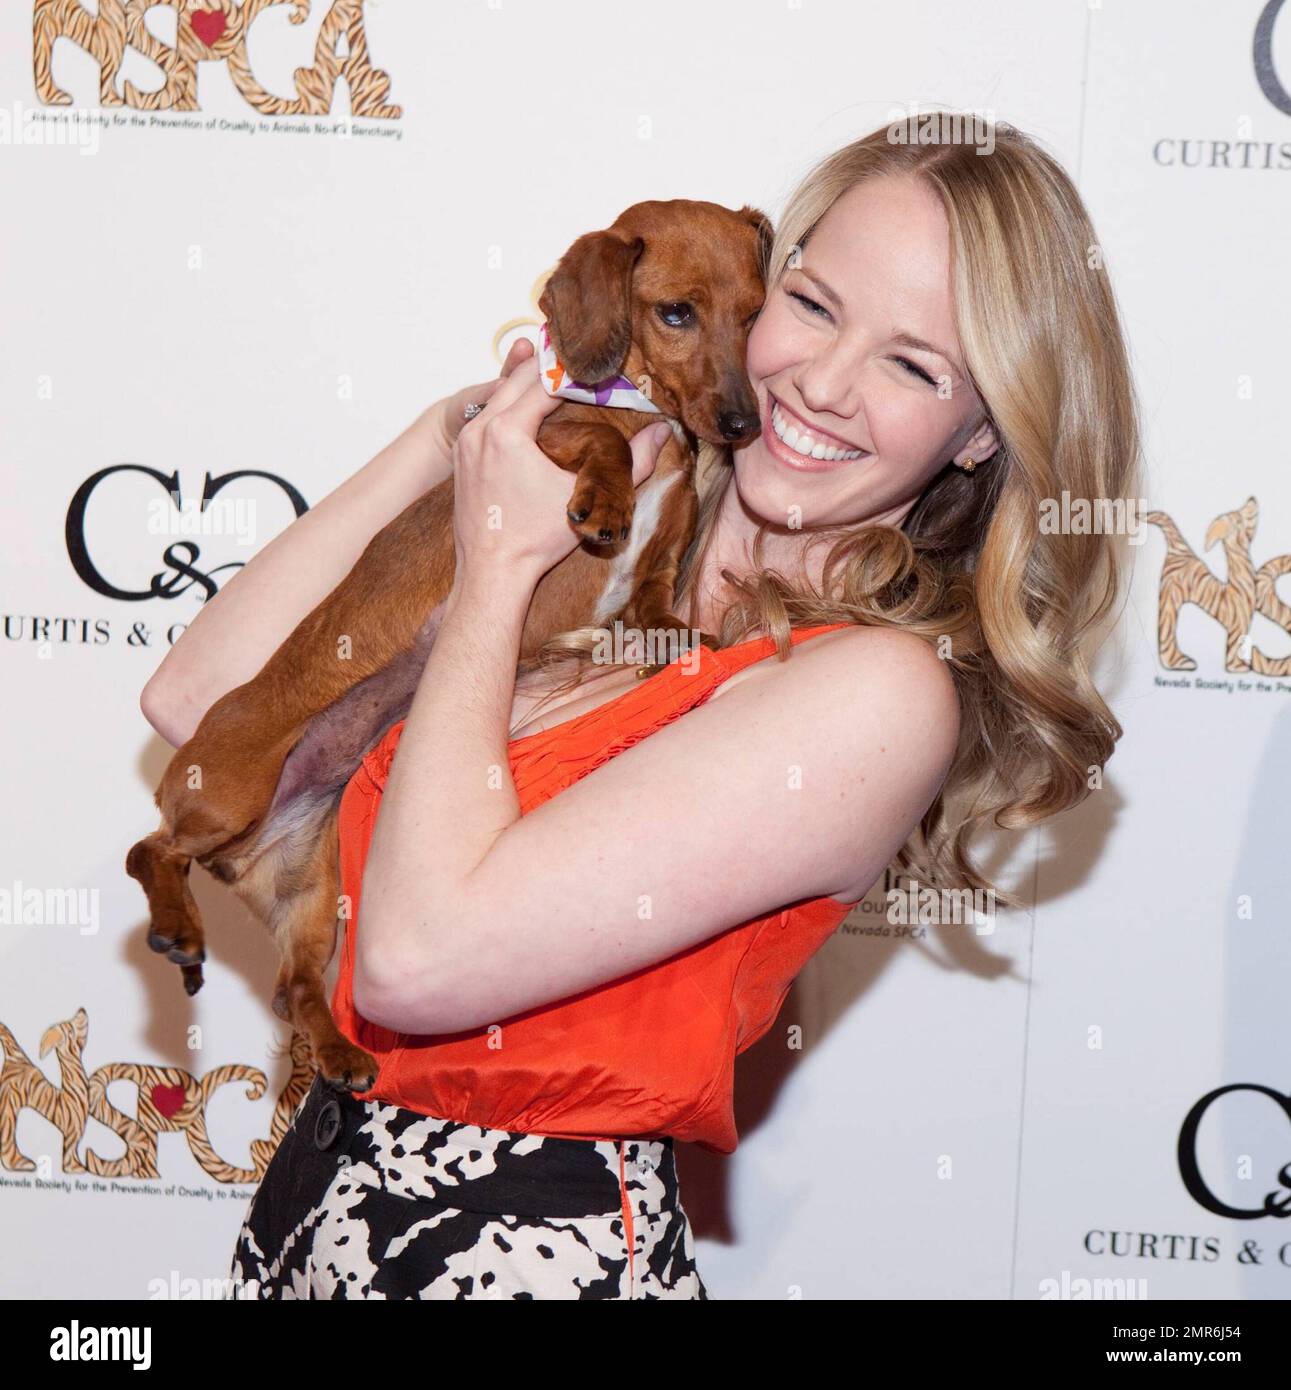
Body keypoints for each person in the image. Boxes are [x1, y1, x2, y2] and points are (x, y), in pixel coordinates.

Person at [141, 119, 1142, 1299]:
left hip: (516, 1258)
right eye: (813, 305)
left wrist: (496, 564)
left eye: (913, 365)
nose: (820, 382)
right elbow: (197, 699)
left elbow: (415, 959)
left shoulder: (874, 694)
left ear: (981, 433)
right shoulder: (622, 500)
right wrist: (456, 430)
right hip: (312, 1224)